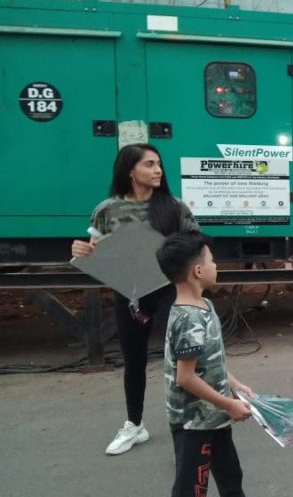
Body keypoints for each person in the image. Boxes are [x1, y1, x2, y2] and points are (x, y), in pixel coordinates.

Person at [70, 143, 199, 455]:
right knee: (134, 361)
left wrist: (169, 248)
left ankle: (190, 426)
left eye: (159, 165)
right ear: (130, 170)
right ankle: (134, 425)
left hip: (169, 289)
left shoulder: (174, 207)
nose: (157, 170)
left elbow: (197, 244)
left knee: (180, 358)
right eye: (149, 165)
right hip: (129, 293)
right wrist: (84, 252)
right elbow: (98, 253)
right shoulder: (107, 210)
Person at [156, 230, 253, 497]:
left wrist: (236, 386)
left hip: (215, 416)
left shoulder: (205, 306)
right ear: (198, 270)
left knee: (231, 476)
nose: (216, 266)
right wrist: (229, 404)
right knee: (192, 488)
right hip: (194, 424)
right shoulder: (188, 320)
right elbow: (185, 378)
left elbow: (212, 362)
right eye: (212, 261)